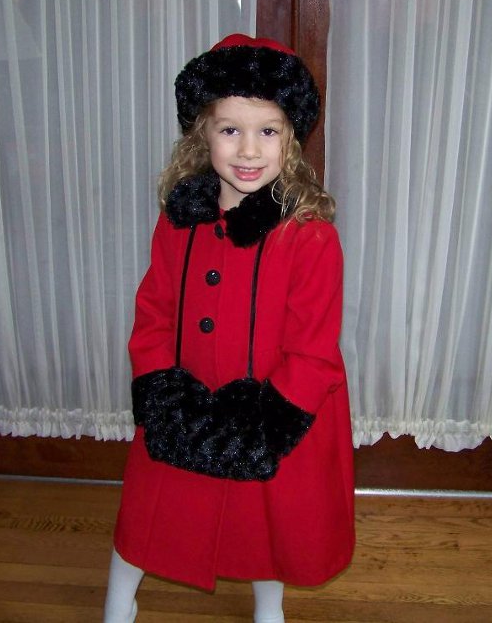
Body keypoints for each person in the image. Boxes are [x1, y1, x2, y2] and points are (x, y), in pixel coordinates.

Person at [104, 34, 355, 623]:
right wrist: (162, 390)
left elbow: (314, 351)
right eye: (229, 130)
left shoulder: (311, 236)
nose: (248, 150)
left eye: (267, 130)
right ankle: (119, 600)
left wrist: (265, 424)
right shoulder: (178, 222)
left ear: (290, 138)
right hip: (185, 399)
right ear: (202, 134)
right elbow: (154, 313)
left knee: (266, 523)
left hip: (273, 412)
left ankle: (270, 607)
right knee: (148, 511)